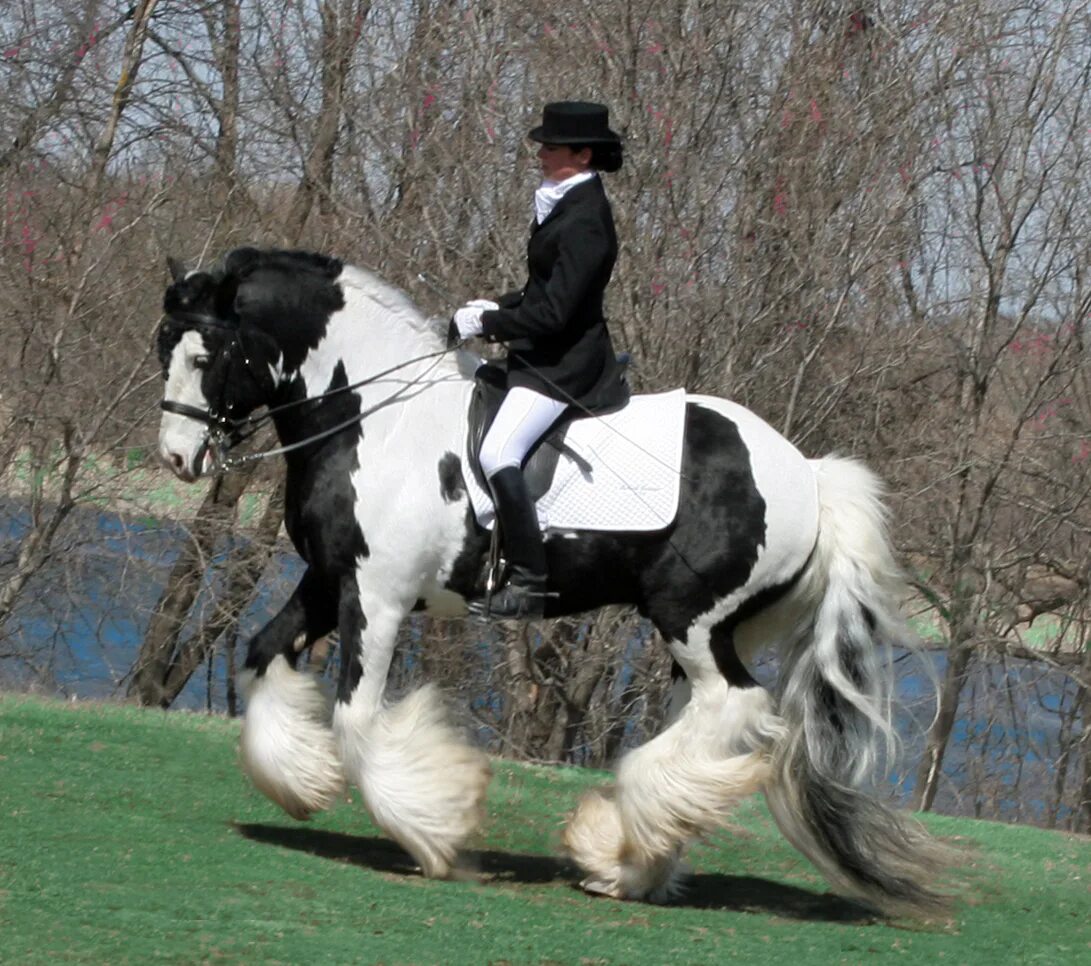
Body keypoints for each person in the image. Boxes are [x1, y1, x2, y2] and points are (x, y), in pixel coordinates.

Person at [452, 100, 629, 619]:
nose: (540, 154)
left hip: (565, 365)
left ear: (581, 153)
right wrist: (496, 305)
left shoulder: (587, 220)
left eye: (550, 147)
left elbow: (553, 315)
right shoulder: (563, 201)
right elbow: (542, 290)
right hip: (543, 353)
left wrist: (486, 326)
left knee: (497, 452)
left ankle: (530, 583)